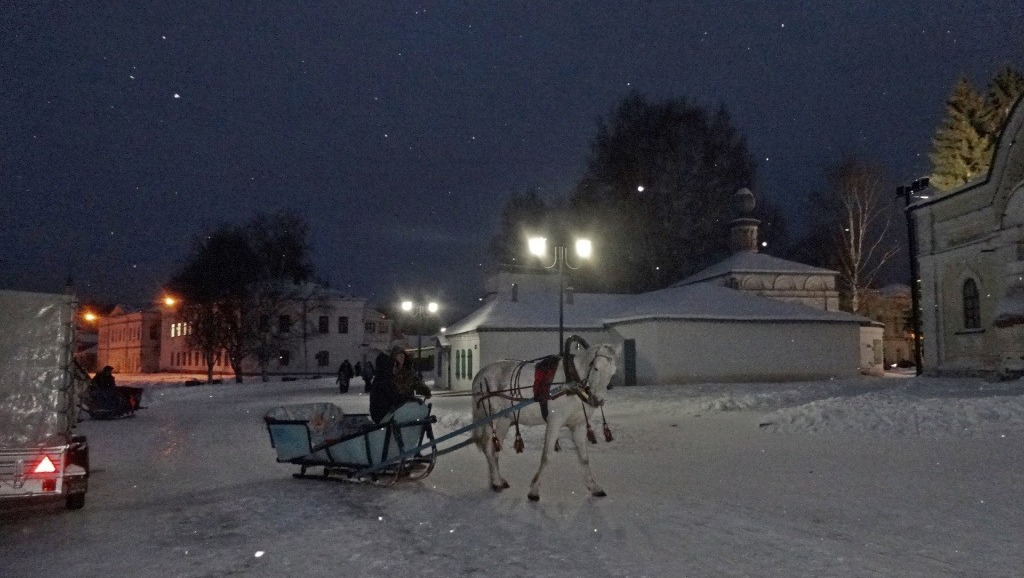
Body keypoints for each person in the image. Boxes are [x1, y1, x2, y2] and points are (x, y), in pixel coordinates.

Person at [369, 346, 431, 423]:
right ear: (393, 358)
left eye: (403, 356)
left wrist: (423, 390)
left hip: (404, 407)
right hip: (394, 410)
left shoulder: (408, 371)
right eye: (399, 356)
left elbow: (416, 382)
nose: (402, 358)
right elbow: (391, 395)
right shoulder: (386, 375)